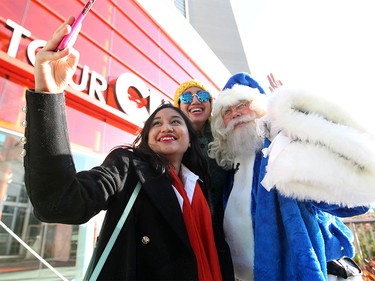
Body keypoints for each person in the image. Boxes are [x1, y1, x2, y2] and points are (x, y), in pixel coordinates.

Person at [22, 17, 234, 280]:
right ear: (147, 138)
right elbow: (60, 203)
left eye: (175, 121)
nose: (165, 127)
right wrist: (48, 94)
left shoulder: (200, 184)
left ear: (189, 139)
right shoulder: (128, 167)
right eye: (156, 123)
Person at [208, 72, 372, 281]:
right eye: (228, 111)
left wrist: (295, 118)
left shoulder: (284, 145)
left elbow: (352, 203)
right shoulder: (230, 171)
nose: (235, 114)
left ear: (261, 106)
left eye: (242, 105)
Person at [174, 80, 230, 230]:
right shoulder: (171, 141)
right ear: (178, 107)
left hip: (224, 228)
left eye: (203, 96)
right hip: (187, 227)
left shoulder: (226, 136)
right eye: (186, 98)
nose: (195, 100)